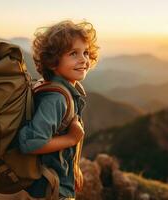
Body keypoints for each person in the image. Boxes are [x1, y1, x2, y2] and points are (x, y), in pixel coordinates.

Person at [18, 19, 99, 200]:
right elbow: (30, 142)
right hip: (52, 190)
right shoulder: (56, 99)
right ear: (53, 61)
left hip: (57, 183)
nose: (84, 59)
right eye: (73, 53)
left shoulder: (62, 91)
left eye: (86, 52)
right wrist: (71, 139)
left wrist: (72, 168)